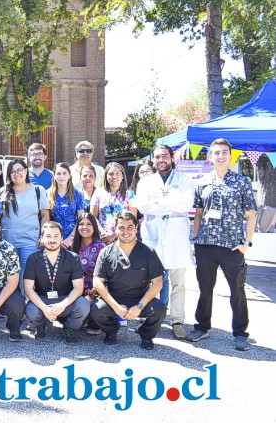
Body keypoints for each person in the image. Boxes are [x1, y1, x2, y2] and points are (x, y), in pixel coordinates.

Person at [186, 138, 257, 351]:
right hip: (206, 245)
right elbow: (198, 214)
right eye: (216, 152)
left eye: (224, 152)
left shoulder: (241, 182)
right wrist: (196, 240)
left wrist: (247, 242)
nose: (221, 156)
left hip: (232, 246)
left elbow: (251, 215)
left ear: (230, 155)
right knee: (205, 289)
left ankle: (240, 333)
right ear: (210, 157)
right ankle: (202, 327)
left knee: (237, 290)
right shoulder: (202, 183)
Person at [135, 145, 195, 340]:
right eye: (158, 157)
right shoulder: (145, 182)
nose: (161, 160)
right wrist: (171, 204)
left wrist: (160, 203)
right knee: (150, 281)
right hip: (154, 237)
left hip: (176, 237)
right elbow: (144, 207)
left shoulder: (183, 180)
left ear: (171, 158)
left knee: (178, 282)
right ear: (154, 159)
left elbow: (186, 204)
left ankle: (177, 321)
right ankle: (151, 319)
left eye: (165, 156)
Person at [91, 212, 166, 350]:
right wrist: (115, 307)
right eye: (121, 227)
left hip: (140, 298)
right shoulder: (106, 252)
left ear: (137, 228)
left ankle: (146, 334)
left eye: (130, 227)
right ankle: (111, 330)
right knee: (96, 309)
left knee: (160, 309)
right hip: (115, 298)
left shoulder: (148, 252)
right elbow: (97, 282)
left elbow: (158, 282)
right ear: (115, 229)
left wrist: (139, 307)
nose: (126, 232)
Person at [24, 222, 90, 344]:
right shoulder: (33, 259)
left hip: (66, 299)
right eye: (48, 236)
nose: (52, 240)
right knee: (31, 310)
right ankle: (41, 325)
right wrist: (44, 308)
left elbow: (78, 288)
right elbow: (28, 289)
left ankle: (70, 327)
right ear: (42, 238)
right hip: (43, 300)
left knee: (83, 305)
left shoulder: (73, 258)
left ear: (61, 238)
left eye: (56, 236)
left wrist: (62, 305)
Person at [0, 159, 50, 291]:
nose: (16, 174)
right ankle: (13, 308)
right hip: (8, 242)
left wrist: (43, 236)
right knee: (9, 277)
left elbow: (44, 215)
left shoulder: (38, 190)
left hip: (30, 242)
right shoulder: (3, 192)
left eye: (19, 170)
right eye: (13, 172)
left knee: (26, 277)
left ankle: (26, 306)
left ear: (26, 171)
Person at [70, 213, 105, 335]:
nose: (84, 227)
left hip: (96, 289)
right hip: (76, 288)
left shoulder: (101, 248)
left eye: (89, 224)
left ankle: (93, 321)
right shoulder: (73, 247)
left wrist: (91, 295)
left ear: (94, 227)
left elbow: (105, 278)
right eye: (81, 224)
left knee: (96, 307)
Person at [91, 162, 138, 244]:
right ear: (106, 176)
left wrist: (114, 235)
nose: (114, 176)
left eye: (118, 173)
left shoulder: (130, 195)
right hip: (102, 238)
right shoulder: (98, 193)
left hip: (123, 237)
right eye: (111, 174)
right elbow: (93, 217)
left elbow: (132, 218)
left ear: (122, 176)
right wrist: (102, 233)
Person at [48, 163, 85, 248]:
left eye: (64, 173)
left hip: (72, 238)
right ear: (54, 176)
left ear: (69, 176)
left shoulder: (78, 194)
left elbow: (81, 219)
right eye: (58, 173)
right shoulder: (47, 194)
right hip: (53, 238)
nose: (61, 176)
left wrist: (69, 239)